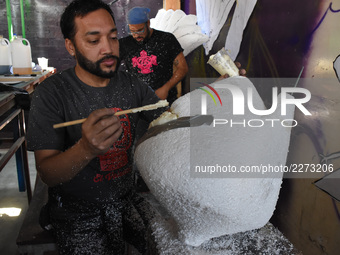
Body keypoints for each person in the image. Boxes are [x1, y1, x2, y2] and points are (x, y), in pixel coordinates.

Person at [26, 0, 166, 254]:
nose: (108, 48)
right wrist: (86, 149)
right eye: (94, 40)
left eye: (113, 37)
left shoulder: (132, 86)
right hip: (75, 209)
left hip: (126, 197)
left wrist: (213, 96)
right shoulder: (51, 94)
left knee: (168, 244)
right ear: (71, 46)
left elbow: (171, 120)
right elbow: (47, 172)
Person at [119, 6, 189, 105]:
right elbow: (109, 69)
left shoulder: (166, 39)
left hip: (165, 101)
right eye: (132, 31)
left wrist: (166, 88)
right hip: (137, 103)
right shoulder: (124, 44)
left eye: (139, 30)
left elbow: (183, 68)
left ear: (148, 23)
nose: (136, 35)